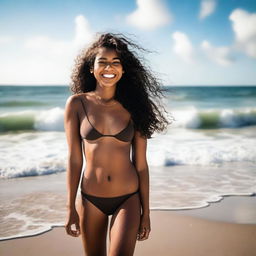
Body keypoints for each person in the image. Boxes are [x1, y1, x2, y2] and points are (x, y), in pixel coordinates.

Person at [64, 32, 170, 256]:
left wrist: (146, 212)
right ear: (91, 68)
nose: (109, 67)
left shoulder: (136, 107)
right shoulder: (76, 104)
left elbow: (141, 164)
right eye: (102, 62)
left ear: (123, 70)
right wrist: (70, 207)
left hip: (128, 198)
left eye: (115, 63)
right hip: (90, 198)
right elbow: (75, 159)